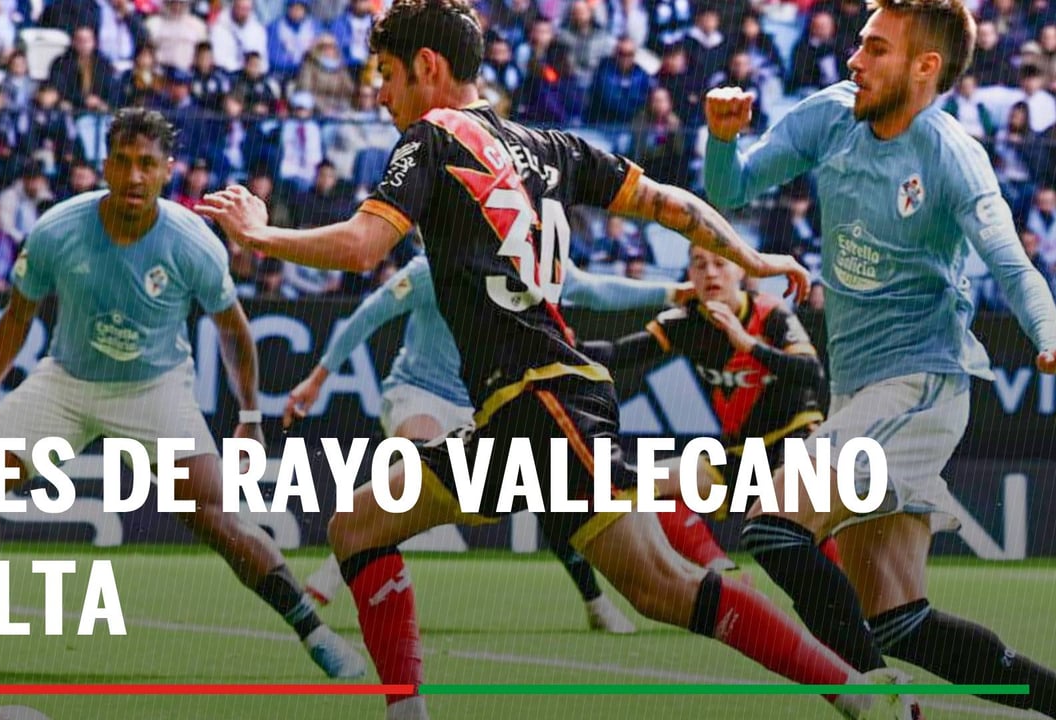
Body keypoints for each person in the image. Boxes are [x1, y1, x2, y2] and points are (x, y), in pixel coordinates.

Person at [200, 1, 915, 718]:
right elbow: (665, 202)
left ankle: (853, 690)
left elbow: (362, 247)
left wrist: (259, 236)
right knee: (358, 526)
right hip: (519, 409)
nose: (380, 93)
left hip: (541, 401)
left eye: (386, 73)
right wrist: (749, 257)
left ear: (428, 66)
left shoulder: (431, 138)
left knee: (662, 585)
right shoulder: (550, 146)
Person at [0, 108, 366, 680]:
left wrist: (250, 415)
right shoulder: (58, 229)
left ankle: (316, 633)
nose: (134, 176)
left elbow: (234, 331)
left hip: (155, 388)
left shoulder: (191, 241)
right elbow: (17, 316)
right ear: (105, 165)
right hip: (67, 382)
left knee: (214, 516)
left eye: (147, 163)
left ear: (167, 170)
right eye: (122, 162)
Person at [703, 0, 1056, 716]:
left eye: (877, 50)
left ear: (925, 67)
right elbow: (729, 189)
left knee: (774, 524)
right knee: (899, 620)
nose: (855, 60)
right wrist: (720, 140)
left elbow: (1012, 266)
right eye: (861, 43)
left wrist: (1048, 333)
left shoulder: (951, 154)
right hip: (859, 392)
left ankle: (881, 703)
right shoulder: (831, 116)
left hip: (920, 385)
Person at [288, 253, 691, 634]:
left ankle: (596, 603)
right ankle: (341, 563)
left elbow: (594, 289)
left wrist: (671, 292)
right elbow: (370, 313)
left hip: (482, 407)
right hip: (418, 392)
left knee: (550, 494)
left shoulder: (536, 261)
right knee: (414, 467)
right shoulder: (435, 268)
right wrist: (317, 379)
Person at [583, 244, 835, 573]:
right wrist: (565, 344)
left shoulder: (769, 312)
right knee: (640, 484)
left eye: (720, 263)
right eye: (700, 265)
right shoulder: (685, 321)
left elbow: (812, 373)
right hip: (740, 456)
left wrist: (748, 344)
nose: (710, 273)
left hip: (795, 441)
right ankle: (723, 574)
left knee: (789, 522)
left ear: (741, 269)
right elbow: (617, 354)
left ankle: (849, 597)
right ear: (690, 273)